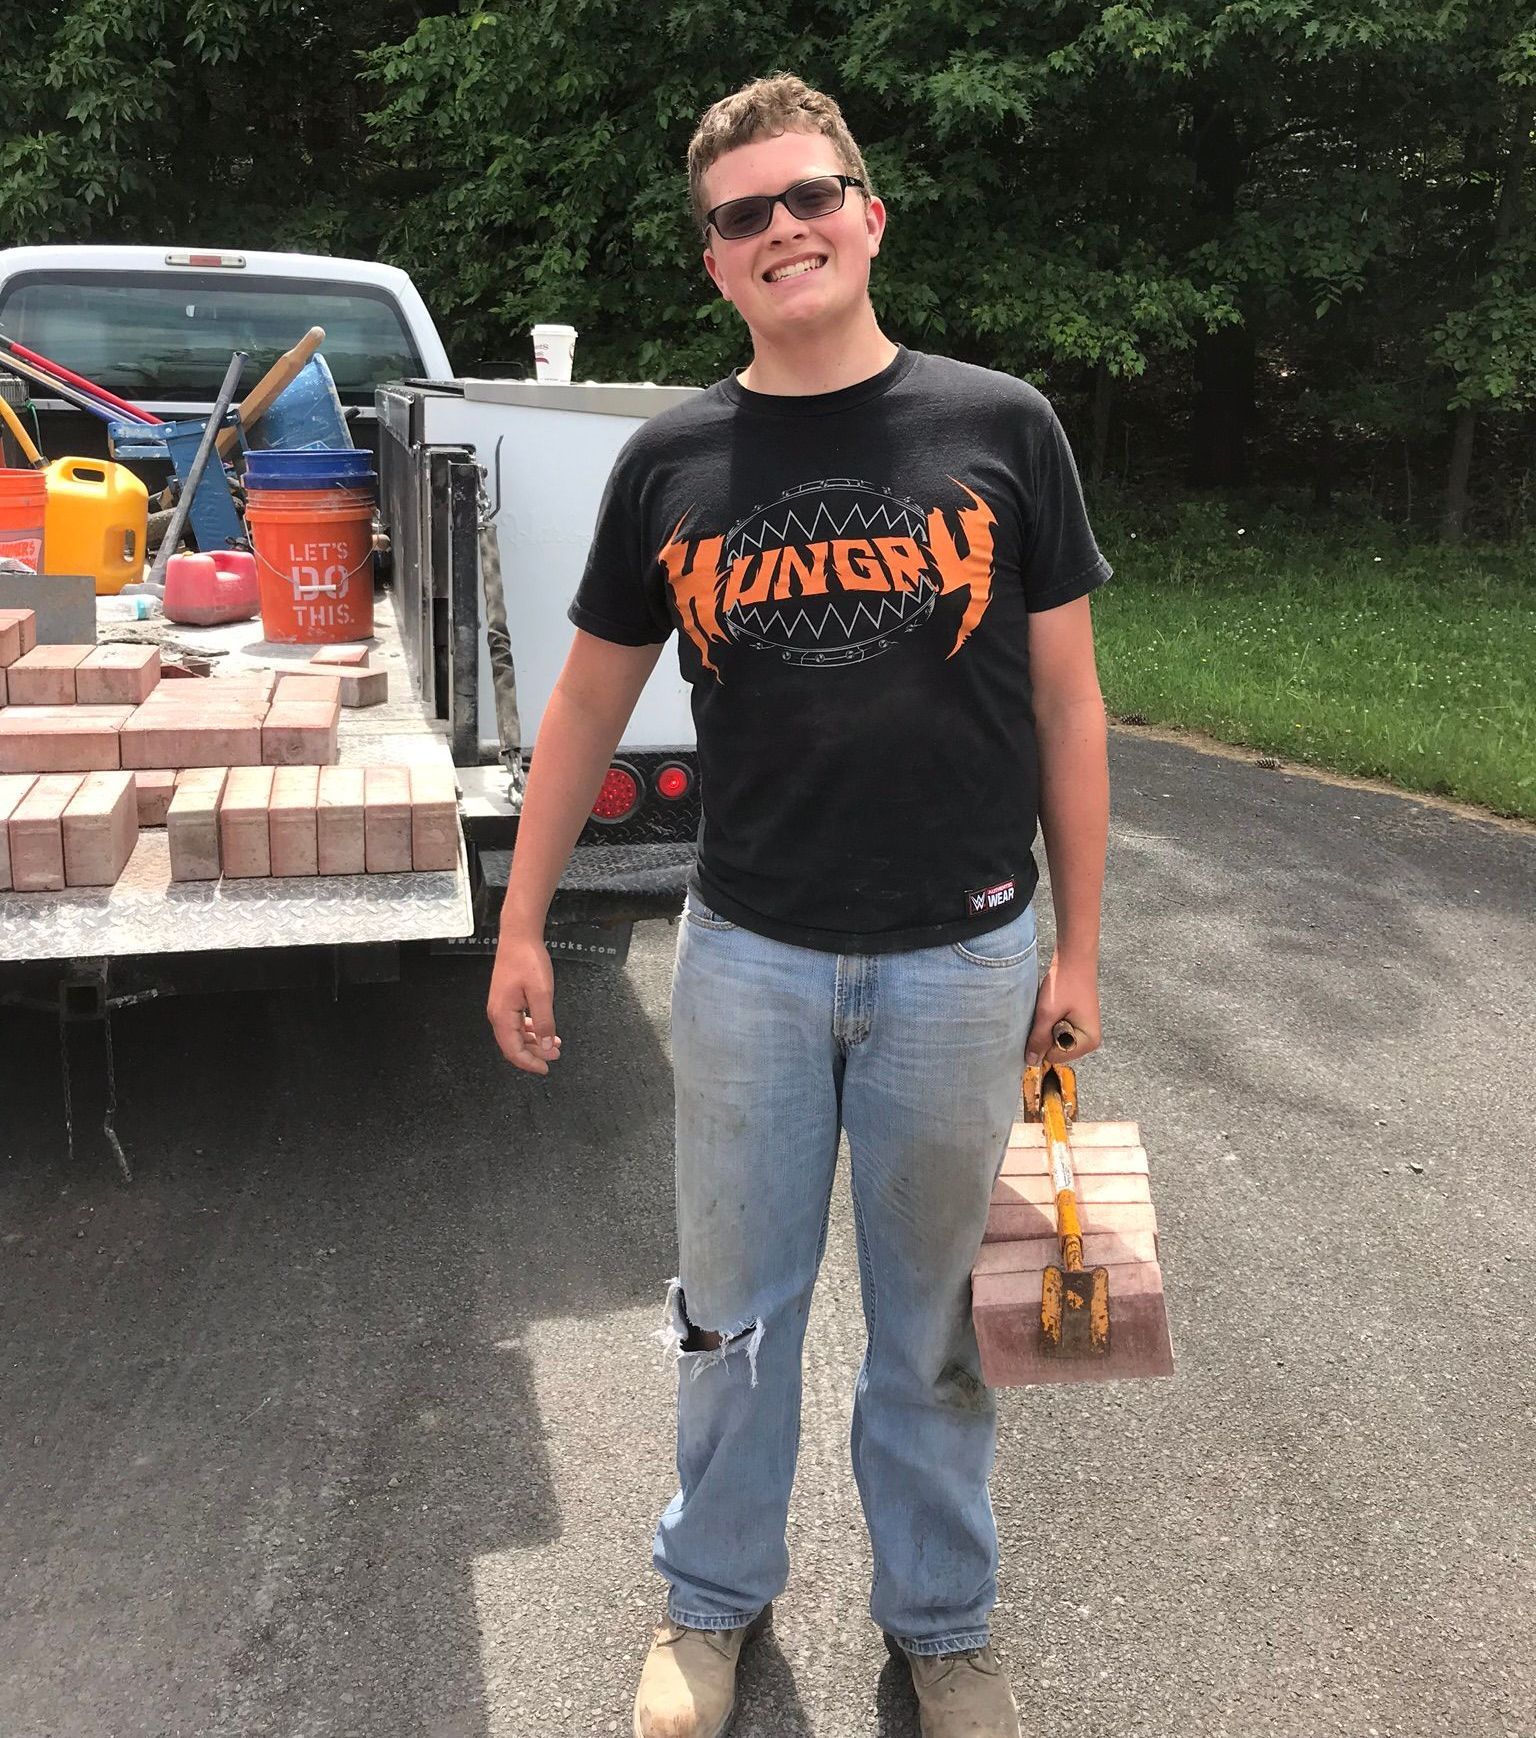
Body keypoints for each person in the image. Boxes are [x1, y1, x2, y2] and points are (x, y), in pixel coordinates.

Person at [487, 72, 1111, 1738]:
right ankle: (709, 1600)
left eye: (810, 195)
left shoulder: (1003, 428)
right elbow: (585, 704)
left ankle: (944, 1623)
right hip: (750, 960)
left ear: (868, 216)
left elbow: (1069, 705)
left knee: (937, 1328)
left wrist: (1080, 948)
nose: (783, 228)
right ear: (714, 261)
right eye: (743, 214)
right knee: (730, 1319)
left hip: (963, 959)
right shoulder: (673, 460)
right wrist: (523, 921)